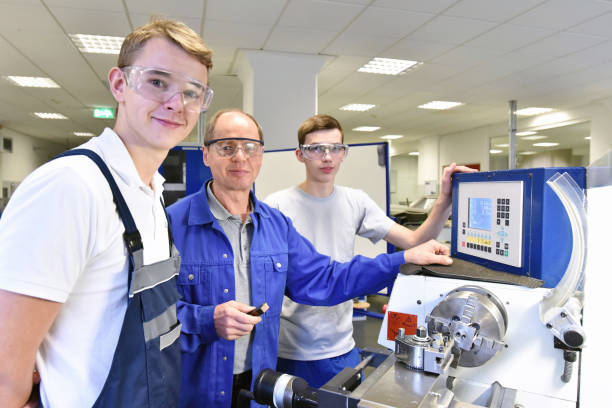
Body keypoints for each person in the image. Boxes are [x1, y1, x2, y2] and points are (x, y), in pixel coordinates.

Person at [167, 108, 452, 408]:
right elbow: (147, 318)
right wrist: (207, 320)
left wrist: (402, 258)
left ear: (261, 155)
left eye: (250, 147)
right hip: (196, 392)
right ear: (206, 155)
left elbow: (325, 279)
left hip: (259, 388)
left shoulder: (276, 225)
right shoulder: (173, 224)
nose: (240, 157)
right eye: (227, 147)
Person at [0, 18, 213, 407]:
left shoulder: (151, 193)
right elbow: (3, 372)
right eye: (157, 82)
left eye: (192, 92)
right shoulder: (72, 187)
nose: (175, 103)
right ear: (119, 84)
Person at [264, 114, 476, 388]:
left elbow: (413, 241)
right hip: (287, 350)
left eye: (335, 148)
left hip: (340, 348)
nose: (327, 157)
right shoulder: (276, 206)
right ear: (300, 154)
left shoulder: (355, 201)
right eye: (316, 148)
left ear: (344, 154)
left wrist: (445, 200)